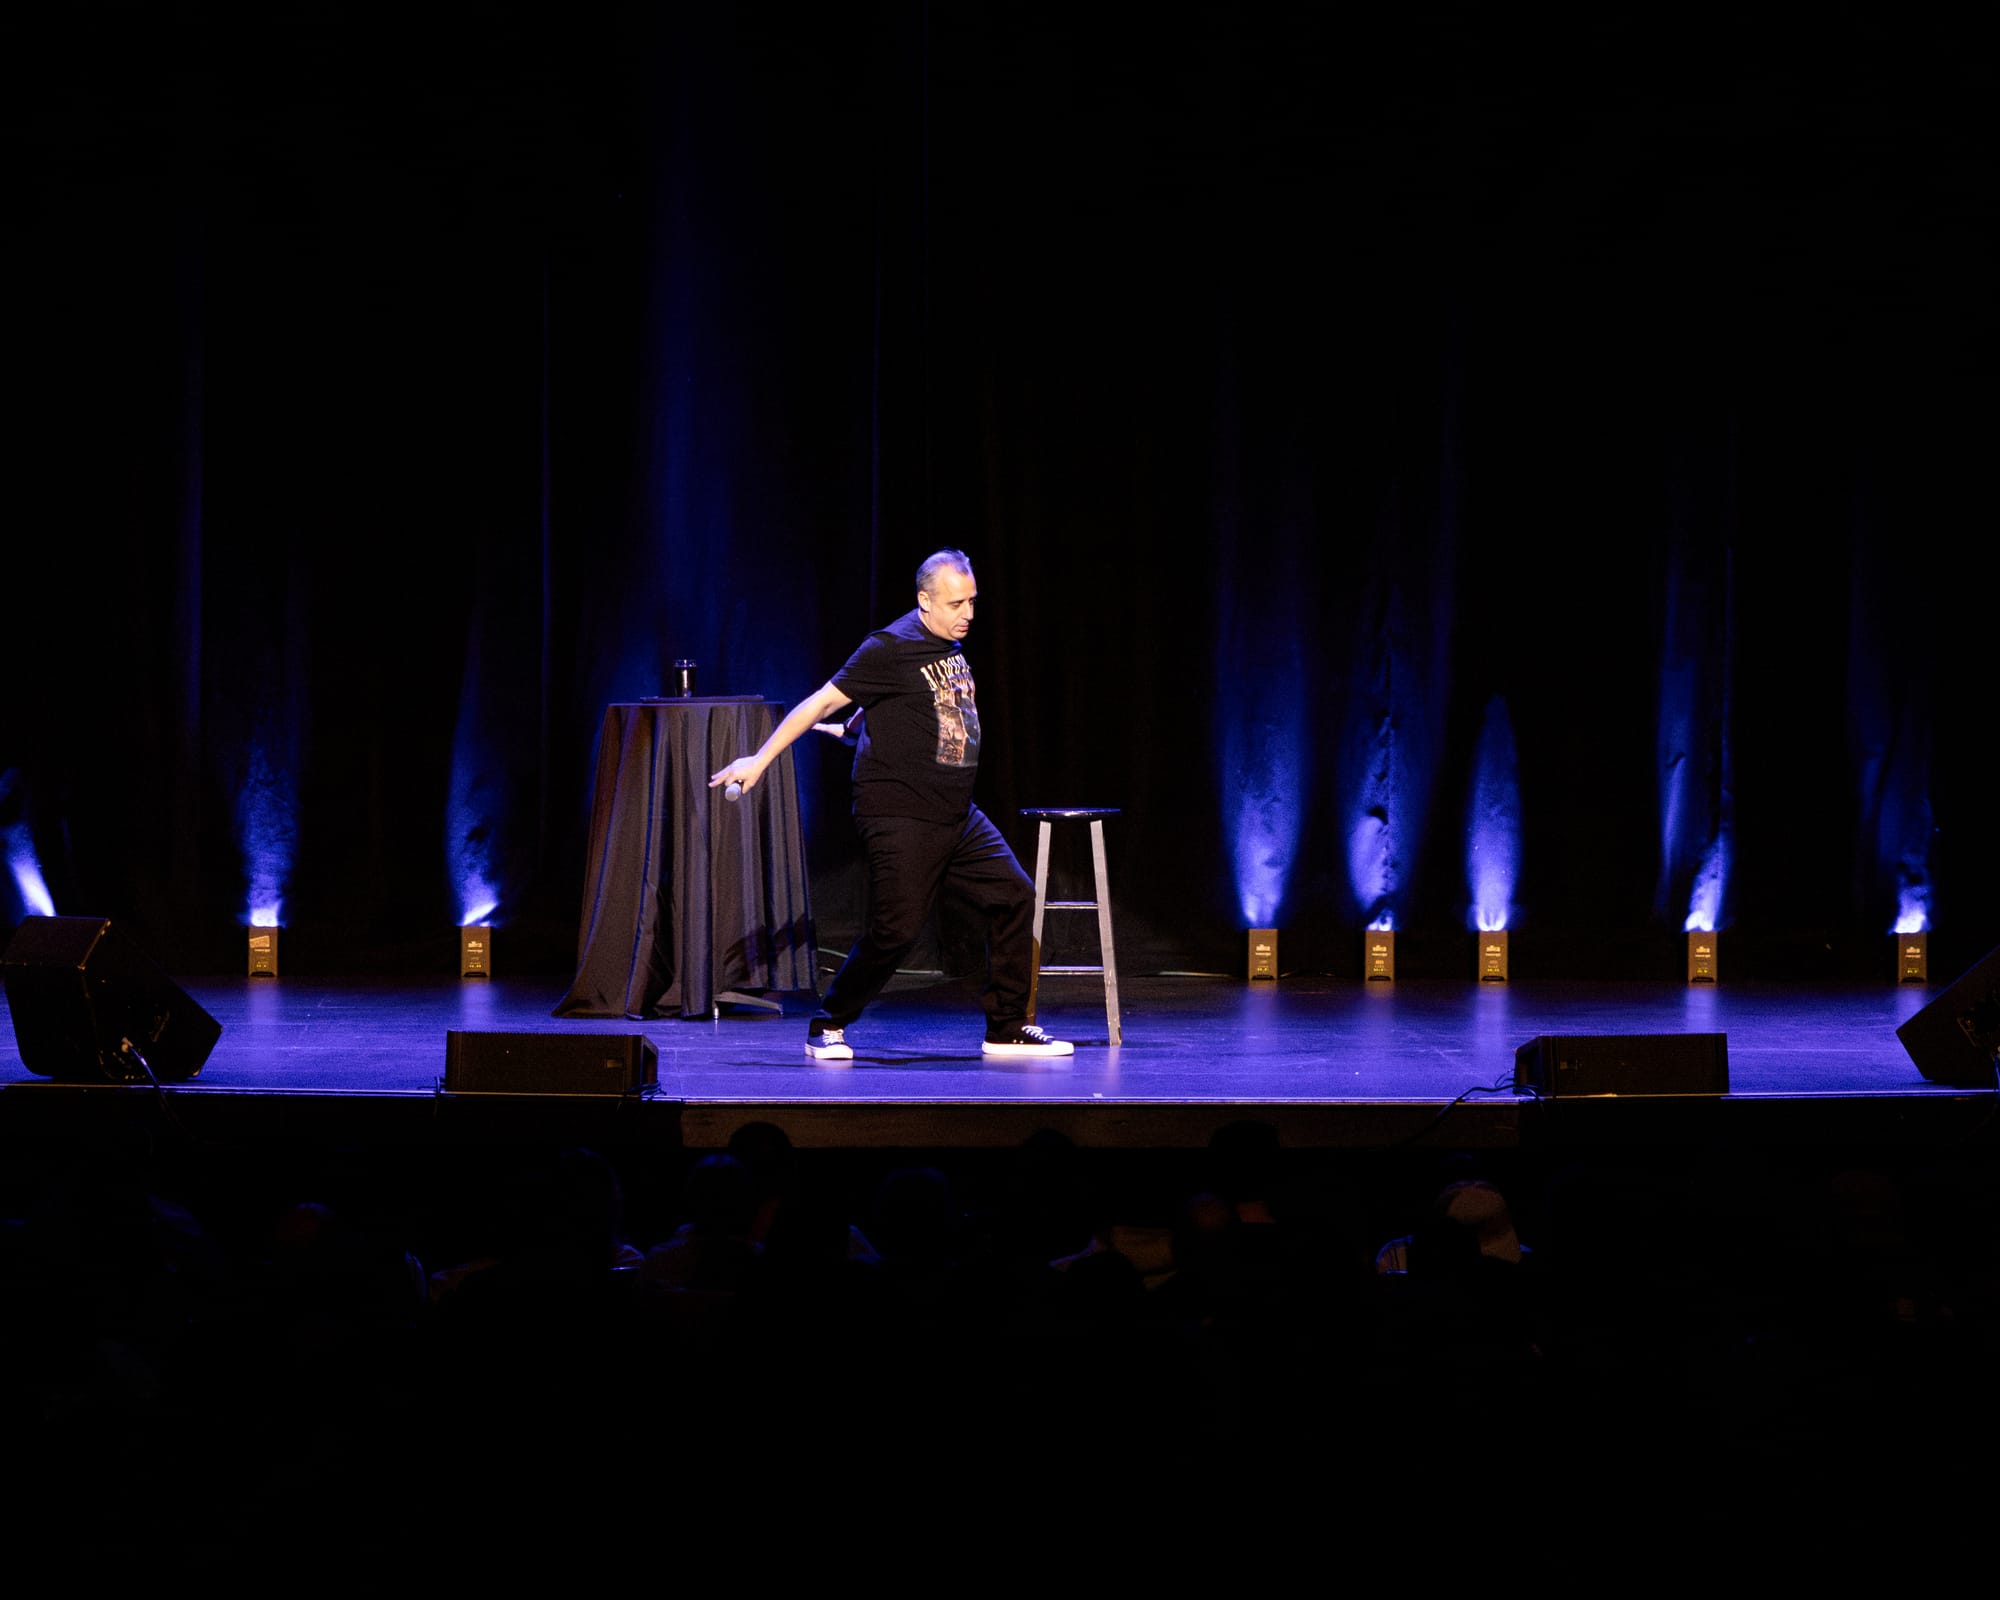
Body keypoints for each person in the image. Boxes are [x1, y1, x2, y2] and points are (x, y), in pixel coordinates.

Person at [710, 550, 1071, 1061]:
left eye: (972, 602)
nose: (967, 613)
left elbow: (904, 701)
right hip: (900, 814)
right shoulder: (889, 645)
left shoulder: (946, 643)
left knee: (1014, 895)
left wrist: (854, 728)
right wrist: (760, 759)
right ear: (925, 601)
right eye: (955, 604)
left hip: (956, 813)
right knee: (895, 932)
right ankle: (828, 1024)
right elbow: (822, 700)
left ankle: (1007, 1028)